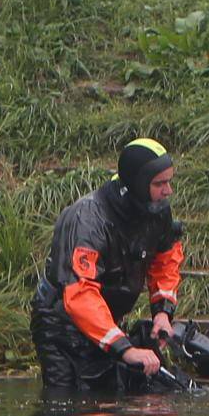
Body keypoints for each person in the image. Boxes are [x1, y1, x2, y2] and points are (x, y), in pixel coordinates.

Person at [31, 138, 185, 393]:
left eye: (169, 181)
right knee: (67, 407)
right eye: (159, 184)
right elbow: (79, 294)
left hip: (106, 319)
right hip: (61, 327)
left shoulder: (157, 210)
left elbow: (165, 259)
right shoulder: (88, 220)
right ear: (136, 183)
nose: (168, 190)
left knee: (110, 400)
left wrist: (162, 311)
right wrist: (123, 348)